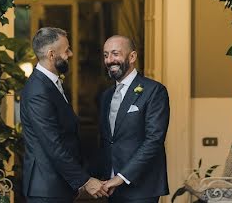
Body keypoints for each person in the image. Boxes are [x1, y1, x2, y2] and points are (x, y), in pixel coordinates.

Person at [21, 27, 110, 201]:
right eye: (66, 50)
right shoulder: (38, 90)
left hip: (57, 185)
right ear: (51, 54)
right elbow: (52, 144)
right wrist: (85, 180)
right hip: (47, 188)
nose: (70, 54)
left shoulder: (51, 83)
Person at [96, 35, 170, 202]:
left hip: (142, 187)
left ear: (132, 57)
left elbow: (154, 140)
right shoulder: (106, 96)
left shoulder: (154, 91)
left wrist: (121, 177)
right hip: (110, 187)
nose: (109, 60)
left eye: (115, 54)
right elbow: (107, 140)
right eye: (106, 55)